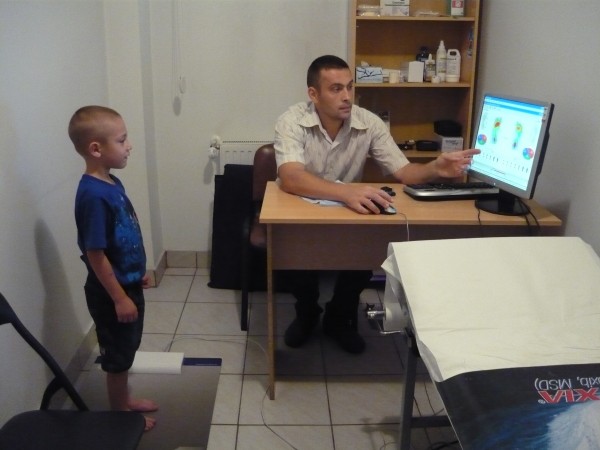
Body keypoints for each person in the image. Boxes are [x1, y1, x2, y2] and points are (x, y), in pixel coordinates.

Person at [274, 55, 480, 354]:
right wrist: (345, 193)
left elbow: (404, 172)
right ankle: (307, 312)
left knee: (369, 243)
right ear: (313, 94)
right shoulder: (291, 120)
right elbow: (291, 177)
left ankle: (339, 315)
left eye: (350, 87)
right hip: (300, 209)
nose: (347, 96)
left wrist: (435, 167)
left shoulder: (368, 122)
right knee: (295, 253)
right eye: (335, 89)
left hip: (347, 212)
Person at [69, 106, 157, 431]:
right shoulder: (93, 196)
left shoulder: (111, 182)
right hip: (110, 294)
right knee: (117, 355)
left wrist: (134, 273)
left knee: (127, 346)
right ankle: (120, 415)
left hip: (125, 284)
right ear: (96, 148)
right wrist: (119, 297)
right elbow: (95, 254)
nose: (129, 146)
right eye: (122, 140)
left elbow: (121, 236)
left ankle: (125, 401)